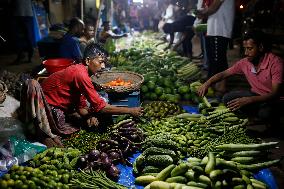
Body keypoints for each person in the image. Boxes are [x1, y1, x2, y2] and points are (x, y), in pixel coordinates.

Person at [198, 30, 283, 134]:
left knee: (265, 113)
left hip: (275, 99)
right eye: (245, 49)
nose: (246, 53)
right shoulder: (245, 62)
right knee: (228, 99)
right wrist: (207, 83)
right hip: (256, 95)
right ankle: (253, 116)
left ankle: (274, 125)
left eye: (250, 49)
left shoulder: (276, 63)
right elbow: (223, 74)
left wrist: (250, 100)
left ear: (260, 47)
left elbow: (275, 93)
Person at [196, 0, 235, 98]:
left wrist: (200, 12)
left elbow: (213, 8)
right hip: (213, 29)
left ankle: (222, 87)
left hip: (221, 29)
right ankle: (215, 84)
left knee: (219, 60)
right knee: (213, 60)